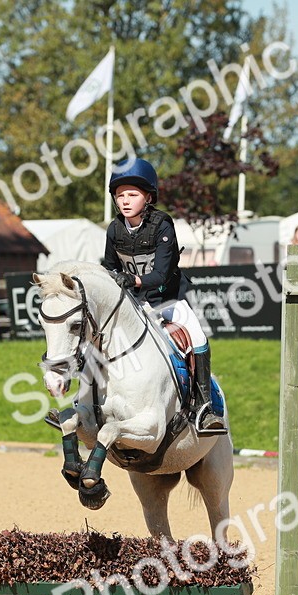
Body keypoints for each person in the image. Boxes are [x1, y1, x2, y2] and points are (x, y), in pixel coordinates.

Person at [102, 158, 224, 433]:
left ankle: (205, 409)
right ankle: (85, 401)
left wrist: (132, 279)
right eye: (120, 195)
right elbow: (109, 266)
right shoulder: (114, 229)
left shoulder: (162, 225)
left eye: (132, 194)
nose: (125, 200)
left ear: (148, 197)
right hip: (133, 303)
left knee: (198, 338)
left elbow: (161, 274)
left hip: (166, 299)